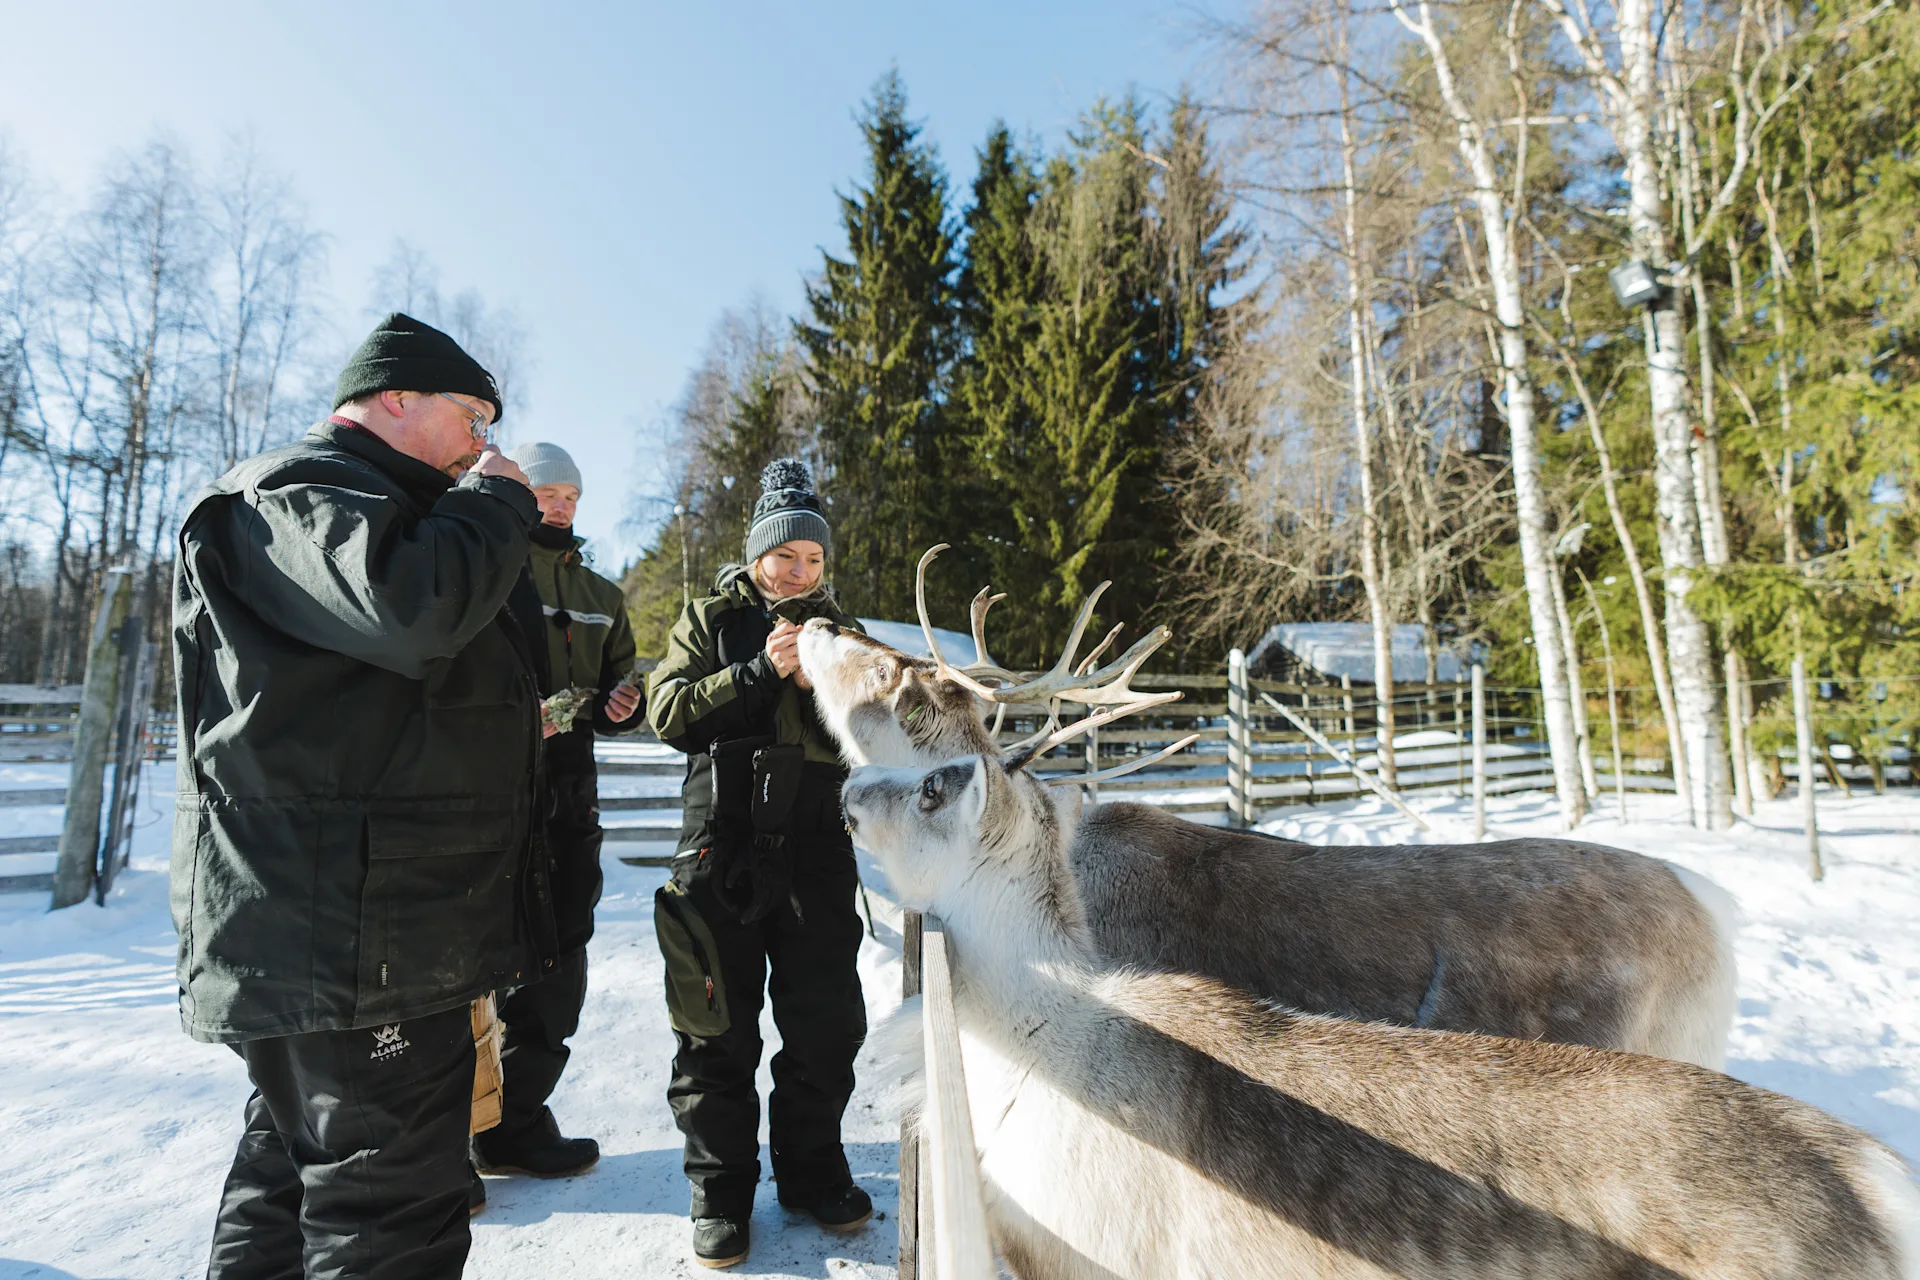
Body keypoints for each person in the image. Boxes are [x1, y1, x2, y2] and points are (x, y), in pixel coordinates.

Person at [172, 313, 557, 1280]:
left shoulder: (389, 505)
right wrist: (500, 507)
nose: (486, 443)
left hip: (361, 932)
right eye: (474, 415)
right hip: (350, 941)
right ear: (395, 397)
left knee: (293, 1181)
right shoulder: (299, 491)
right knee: (389, 1221)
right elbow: (411, 605)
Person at [646, 458, 872, 1270]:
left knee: (827, 1022)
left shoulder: (841, 633)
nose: (799, 573)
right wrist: (757, 671)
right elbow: (665, 713)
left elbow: (880, 730)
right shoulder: (710, 618)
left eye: (812, 560)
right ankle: (720, 1195)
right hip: (720, 845)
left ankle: (811, 1174)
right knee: (715, 1028)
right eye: (785, 558)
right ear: (756, 557)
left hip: (816, 848)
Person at [468, 442, 642, 1184]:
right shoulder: (484, 568)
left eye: (572, 493)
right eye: (547, 490)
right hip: (487, 783)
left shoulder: (603, 595)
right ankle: (444, 1140)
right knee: (471, 966)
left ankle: (516, 1124)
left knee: (562, 954)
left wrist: (621, 707)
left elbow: (617, 687)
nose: (561, 504)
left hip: (570, 786)